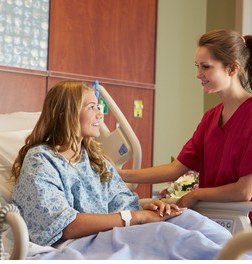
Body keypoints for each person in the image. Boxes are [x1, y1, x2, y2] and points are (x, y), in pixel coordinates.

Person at [11, 80, 218, 250]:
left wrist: (152, 208)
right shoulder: (41, 160)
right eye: (92, 107)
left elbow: (124, 204)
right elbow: (65, 225)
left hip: (114, 233)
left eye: (99, 108)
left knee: (189, 221)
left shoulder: (95, 160)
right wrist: (138, 217)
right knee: (169, 236)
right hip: (80, 242)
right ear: (66, 114)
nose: (100, 115)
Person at [118, 29, 252, 227]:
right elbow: (174, 169)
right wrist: (119, 174)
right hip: (220, 223)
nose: (198, 74)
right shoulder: (211, 119)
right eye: (197, 66)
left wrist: (196, 194)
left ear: (232, 69)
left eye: (206, 67)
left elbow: (244, 190)